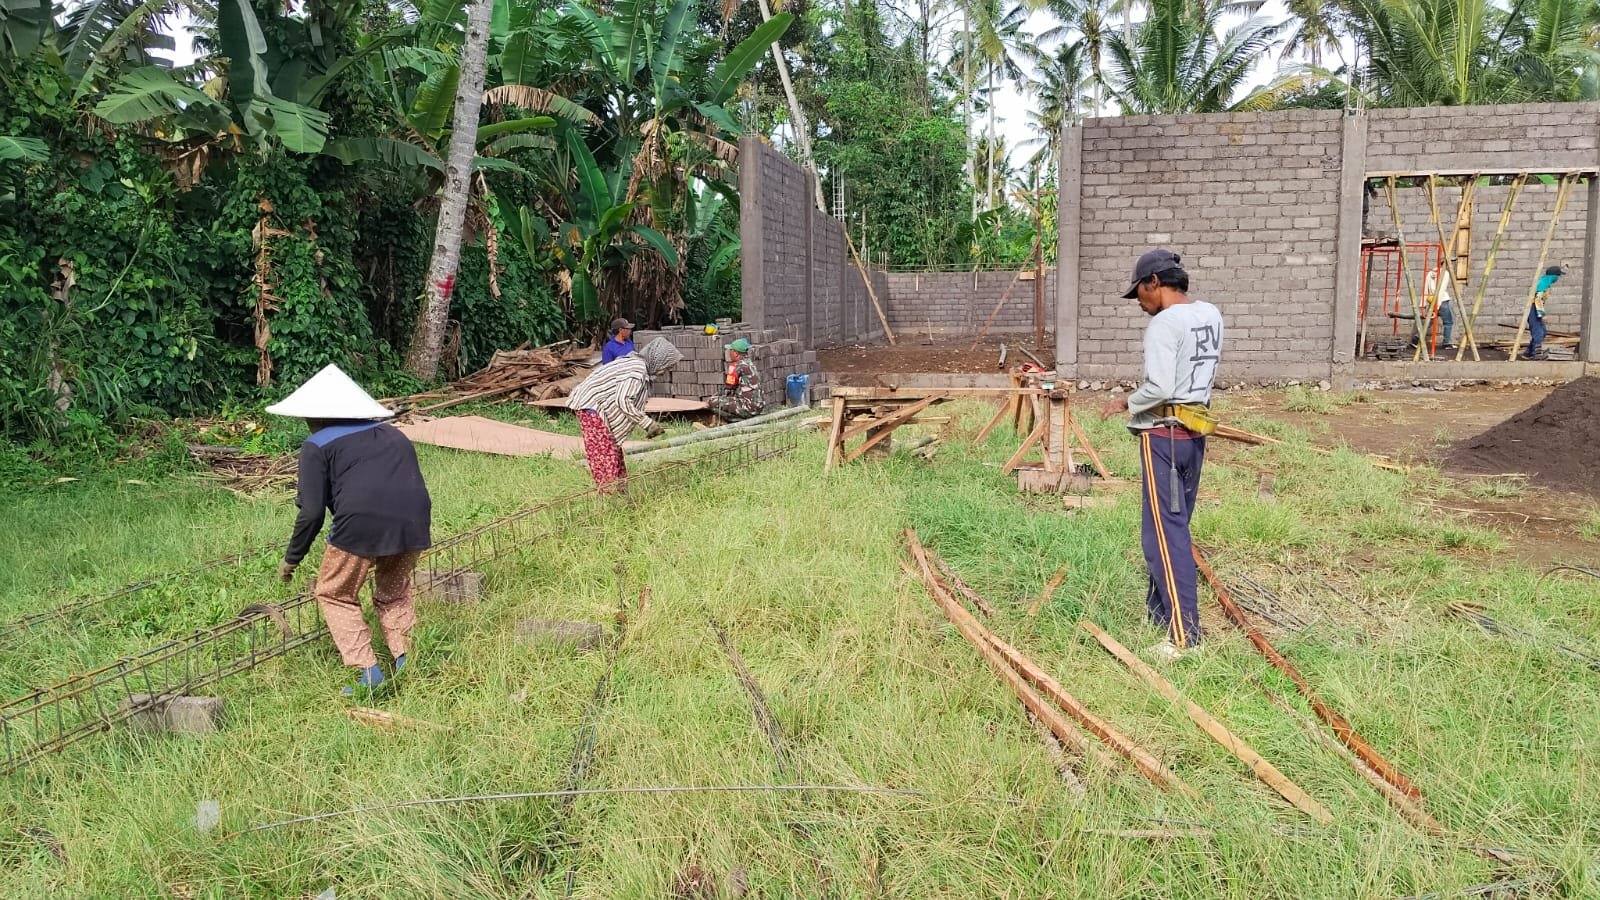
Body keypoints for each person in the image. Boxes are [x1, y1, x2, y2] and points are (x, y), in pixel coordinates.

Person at [267, 364, 432, 695]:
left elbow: (311, 512)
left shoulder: (317, 445)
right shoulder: (393, 433)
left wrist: (292, 559)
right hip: (414, 522)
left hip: (360, 527)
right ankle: (408, 662)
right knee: (394, 592)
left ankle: (368, 674)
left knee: (335, 593)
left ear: (318, 416)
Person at [1100, 249, 1223, 663]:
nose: (1139, 301)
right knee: (1175, 528)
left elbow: (1160, 387)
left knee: (1163, 540)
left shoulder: (1164, 324)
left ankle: (1184, 637)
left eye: (1139, 291)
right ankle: (1159, 616)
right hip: (1194, 435)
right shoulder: (1209, 314)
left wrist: (1126, 402)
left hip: (1164, 438)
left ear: (1154, 282)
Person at [565, 337, 682, 493]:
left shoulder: (638, 366)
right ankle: (609, 495)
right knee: (605, 454)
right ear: (658, 360)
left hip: (593, 406)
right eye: (666, 368)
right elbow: (623, 400)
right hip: (591, 407)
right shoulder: (637, 371)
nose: (664, 372)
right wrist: (647, 424)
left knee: (613, 451)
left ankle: (620, 492)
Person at [709, 338, 765, 421]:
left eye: (730, 351)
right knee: (731, 398)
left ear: (735, 353)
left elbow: (728, 388)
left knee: (712, 402)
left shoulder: (736, 366)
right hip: (758, 406)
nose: (729, 353)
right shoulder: (750, 364)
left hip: (748, 407)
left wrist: (714, 397)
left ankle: (735, 420)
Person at [1524, 264, 1565, 360]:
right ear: (1553, 276)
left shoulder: (1544, 282)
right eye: (1558, 276)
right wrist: (1542, 315)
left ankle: (1528, 352)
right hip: (1534, 309)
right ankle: (1535, 354)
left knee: (1542, 332)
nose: (1558, 278)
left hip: (1535, 308)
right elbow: (1538, 300)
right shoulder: (1542, 284)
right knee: (1538, 333)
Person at [1424, 269, 1454, 350]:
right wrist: (1438, 304)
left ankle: (1416, 339)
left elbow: (1425, 289)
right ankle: (1446, 343)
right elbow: (1442, 289)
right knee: (1448, 322)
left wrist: (1424, 302)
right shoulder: (1445, 273)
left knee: (1429, 321)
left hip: (1432, 300)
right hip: (1442, 300)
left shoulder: (1430, 273)